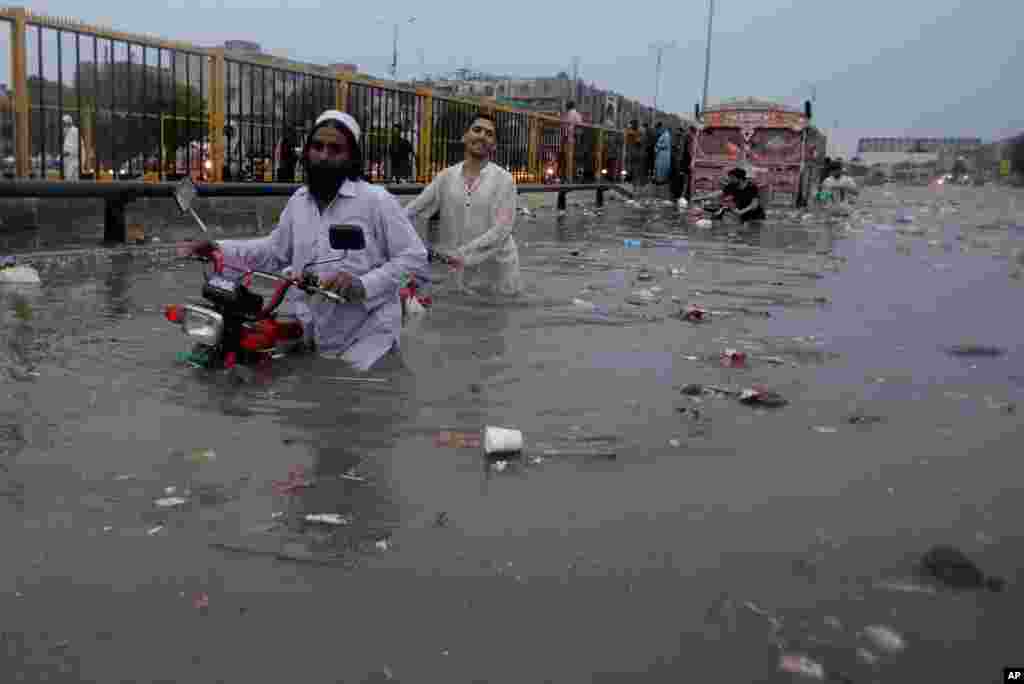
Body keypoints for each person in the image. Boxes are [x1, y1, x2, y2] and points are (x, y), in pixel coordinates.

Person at [177, 110, 428, 372]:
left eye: (335, 149)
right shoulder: (300, 200)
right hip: (314, 333)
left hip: (369, 341)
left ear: (352, 156)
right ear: (306, 151)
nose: (324, 155)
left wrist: (363, 284)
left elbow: (415, 259)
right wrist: (218, 248)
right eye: (317, 147)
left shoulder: (376, 201)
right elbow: (274, 251)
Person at [405, 112, 521, 297]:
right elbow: (414, 210)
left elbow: (502, 230)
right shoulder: (446, 177)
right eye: (477, 130)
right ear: (465, 137)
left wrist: (459, 255)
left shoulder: (504, 180)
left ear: (494, 145)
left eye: (489, 133)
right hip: (458, 273)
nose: (482, 135)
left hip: (497, 274)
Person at [694, 167, 766, 223]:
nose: (730, 179)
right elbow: (718, 193)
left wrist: (741, 212)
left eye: (732, 178)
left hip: (756, 216)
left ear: (739, 179)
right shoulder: (732, 185)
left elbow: (754, 204)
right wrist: (700, 198)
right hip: (742, 215)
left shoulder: (752, 187)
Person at [624, 119, 647, 191]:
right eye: (631, 124)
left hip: (638, 155)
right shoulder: (631, 131)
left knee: (637, 171)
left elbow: (639, 141)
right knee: (632, 170)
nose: (631, 126)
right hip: (633, 154)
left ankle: (637, 187)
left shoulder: (640, 131)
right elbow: (627, 140)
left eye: (632, 124)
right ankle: (635, 186)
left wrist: (634, 136)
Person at [654, 123, 672, 196]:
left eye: (658, 129)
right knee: (659, 167)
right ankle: (659, 180)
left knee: (662, 167)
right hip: (661, 153)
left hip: (664, 154)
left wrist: (658, 145)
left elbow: (666, 145)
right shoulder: (663, 134)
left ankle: (661, 180)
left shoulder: (666, 135)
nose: (658, 130)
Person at [62, 114, 80, 181]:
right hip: (69, 159)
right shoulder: (67, 132)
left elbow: (76, 146)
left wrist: (68, 152)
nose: (63, 126)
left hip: (73, 159)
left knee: (71, 178)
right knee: (69, 177)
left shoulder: (75, 131)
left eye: (64, 123)